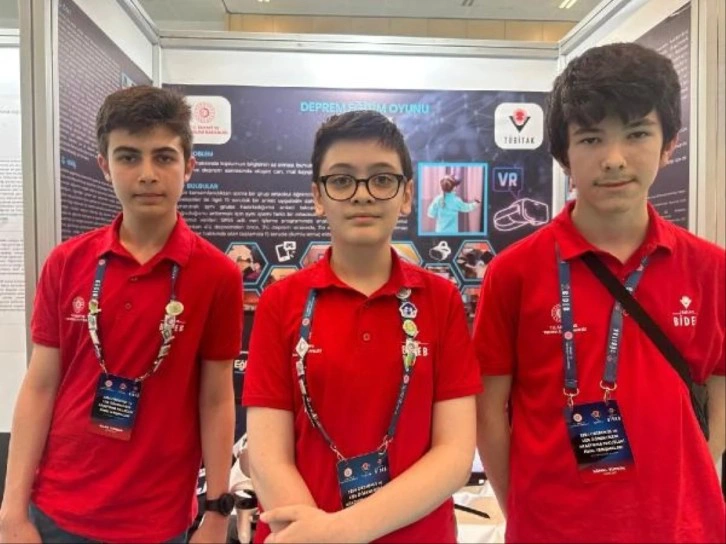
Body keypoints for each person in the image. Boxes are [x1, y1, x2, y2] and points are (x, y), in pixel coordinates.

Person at [473, 42, 725, 543]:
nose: (613, 160)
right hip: (553, 529)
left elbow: (719, 378)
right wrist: (519, 507)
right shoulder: (513, 273)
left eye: (637, 134)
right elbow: (488, 410)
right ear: (564, 154)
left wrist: (700, 465)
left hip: (683, 529)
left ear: (669, 144)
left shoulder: (709, 267)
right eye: (591, 139)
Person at [0, 86, 243, 544]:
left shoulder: (218, 275)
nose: (147, 174)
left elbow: (215, 398)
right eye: (129, 157)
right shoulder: (67, 262)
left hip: (157, 518)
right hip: (57, 509)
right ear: (104, 165)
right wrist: (12, 510)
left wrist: (216, 512)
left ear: (189, 167)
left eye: (164, 157)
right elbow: (40, 386)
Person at [243, 110, 481, 543]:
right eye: (342, 180)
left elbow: (454, 454)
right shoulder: (280, 302)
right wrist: (314, 536)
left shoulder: (441, 300)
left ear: (407, 195)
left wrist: (338, 532)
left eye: (382, 179)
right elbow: (267, 455)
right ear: (318, 196)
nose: (362, 195)